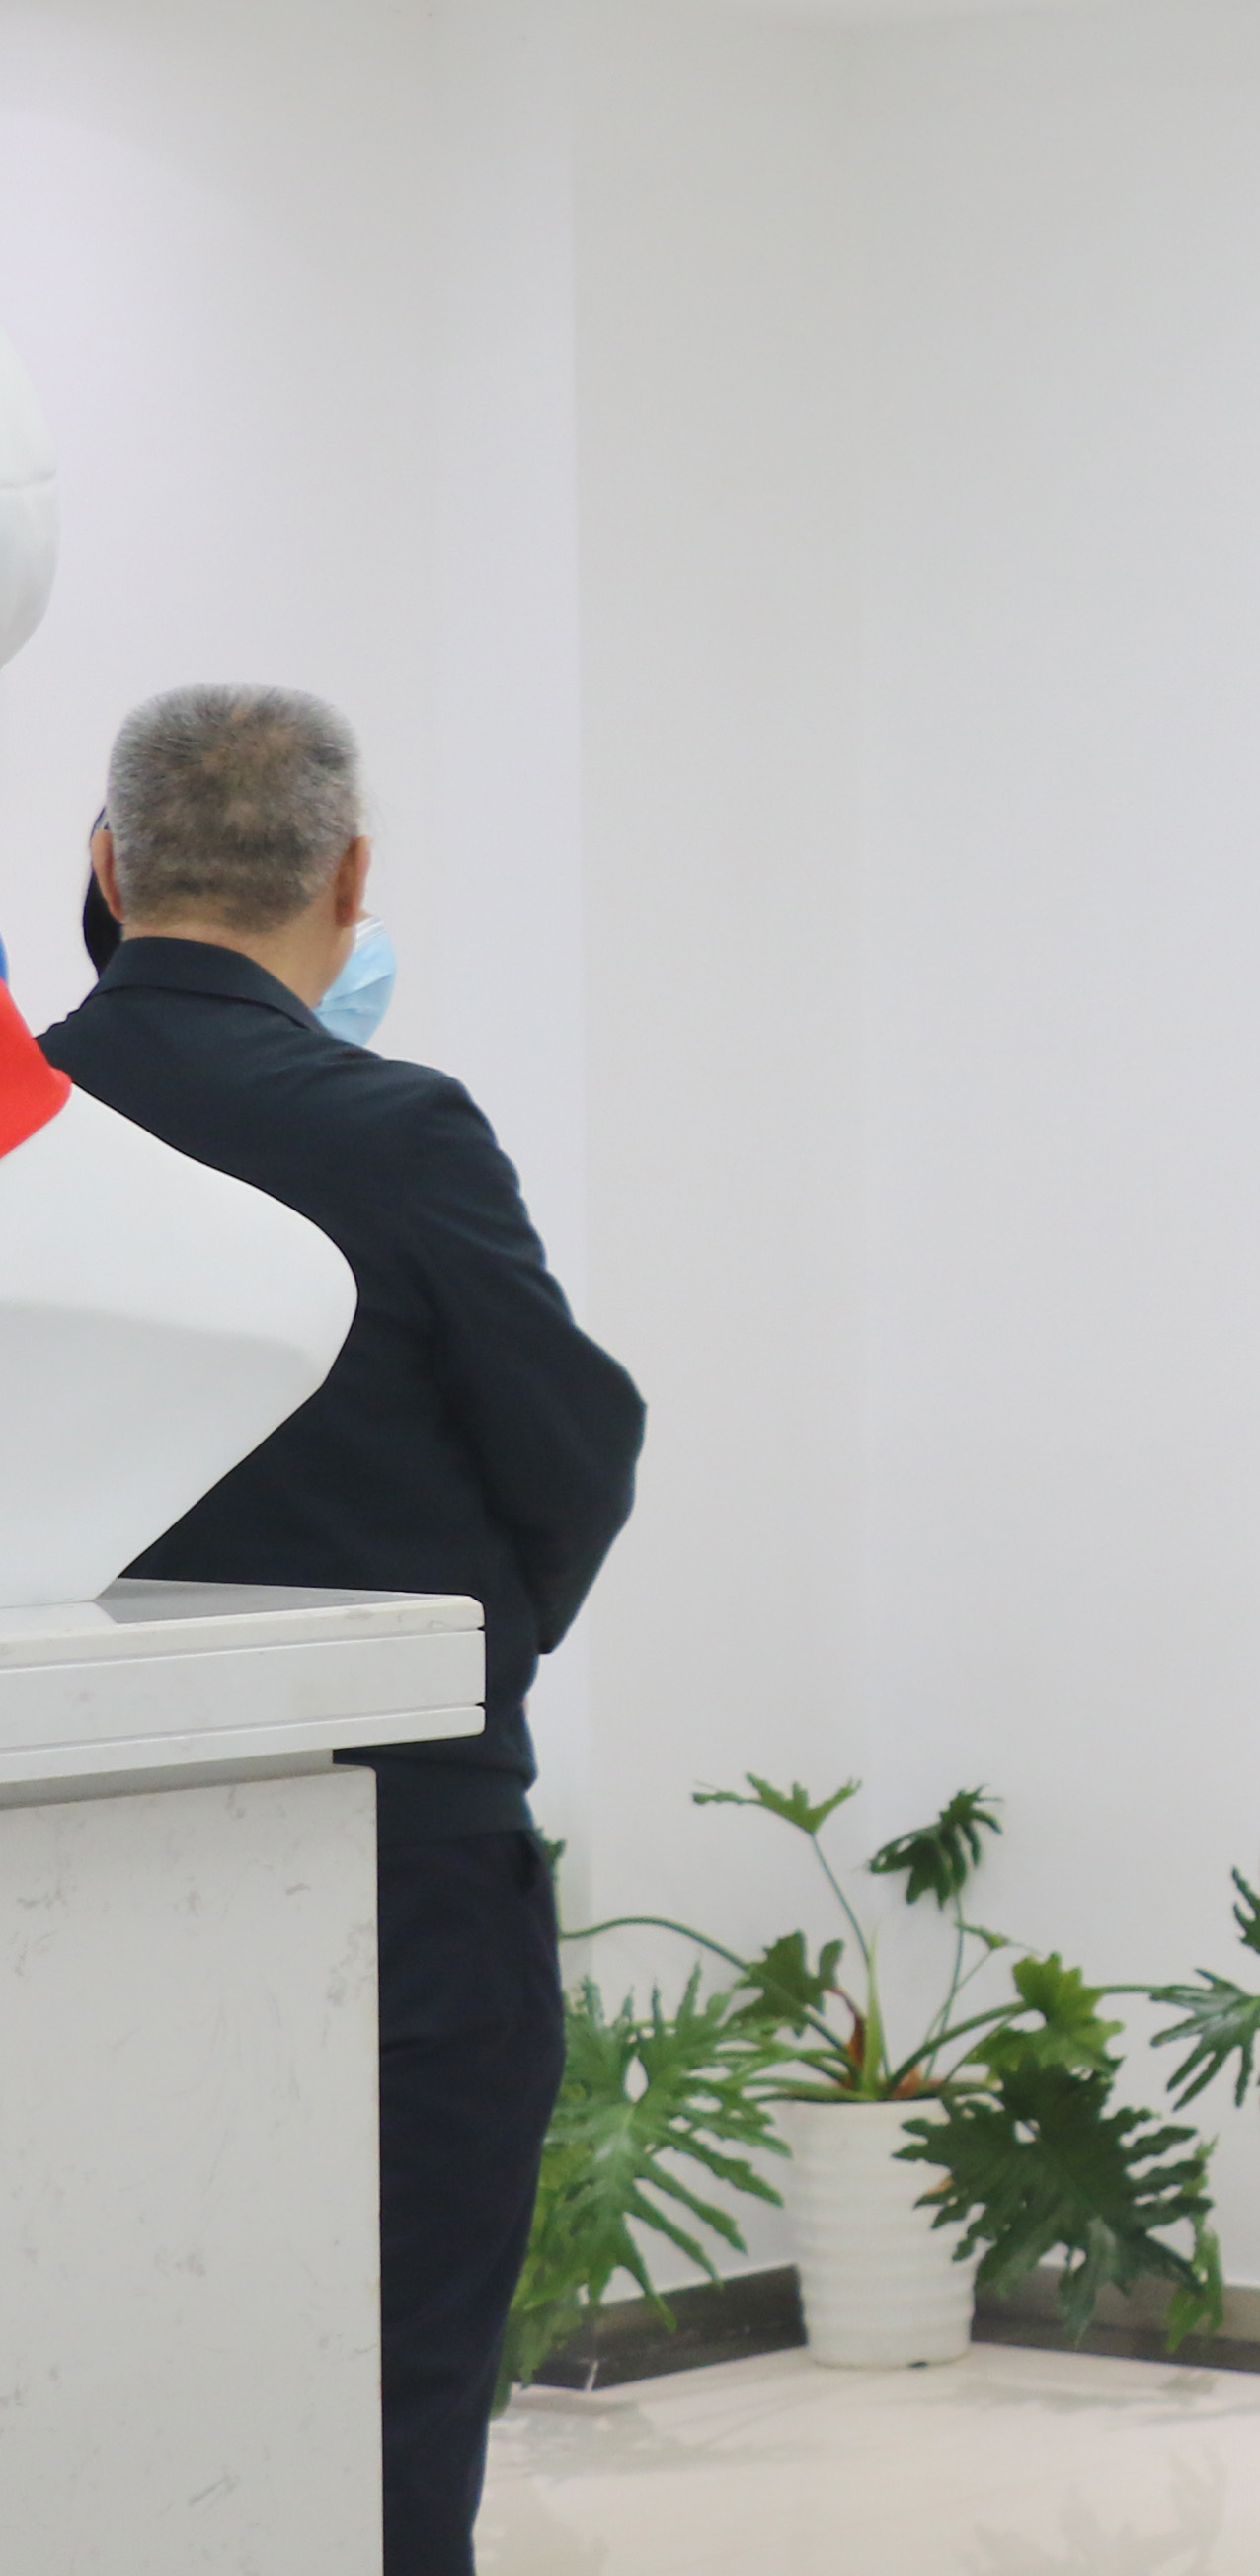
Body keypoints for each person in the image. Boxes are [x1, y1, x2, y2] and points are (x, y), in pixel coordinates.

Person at [40, 683, 644, 2576]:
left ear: (105, 868)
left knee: (70, 2415)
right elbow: (572, 1447)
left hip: (41, 1868)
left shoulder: (23, 1137)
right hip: (398, 1856)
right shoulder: (395, 1136)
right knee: (385, 2404)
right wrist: (463, 1654)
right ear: (352, 880)